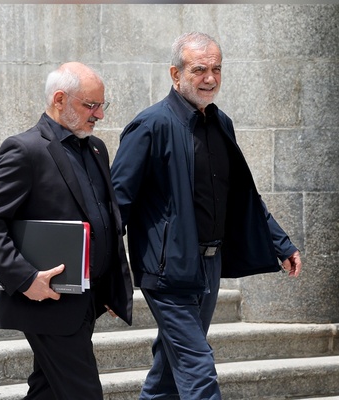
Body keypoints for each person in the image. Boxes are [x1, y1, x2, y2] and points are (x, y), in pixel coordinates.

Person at [110, 32, 302, 400]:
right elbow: (117, 204)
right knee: (198, 367)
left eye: (216, 69)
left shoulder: (221, 123)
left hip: (209, 264)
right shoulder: (150, 125)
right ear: (175, 74)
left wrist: (281, 243)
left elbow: (242, 197)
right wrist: (104, 271)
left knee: (169, 372)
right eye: (199, 70)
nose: (210, 78)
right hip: (167, 270)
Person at [0, 62, 133, 400]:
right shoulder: (25, 149)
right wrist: (26, 278)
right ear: (60, 99)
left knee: (46, 391)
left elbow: (105, 218)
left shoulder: (96, 148)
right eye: (91, 105)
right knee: (84, 393)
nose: (100, 114)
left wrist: (110, 285)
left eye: (102, 105)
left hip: (86, 299)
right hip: (48, 300)